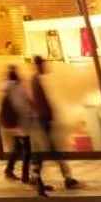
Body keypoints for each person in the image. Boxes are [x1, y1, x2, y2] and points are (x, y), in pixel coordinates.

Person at [27, 56, 81, 190]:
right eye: (44, 65)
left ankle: (36, 178)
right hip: (43, 120)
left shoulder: (35, 80)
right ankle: (67, 178)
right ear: (39, 66)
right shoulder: (36, 81)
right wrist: (49, 115)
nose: (46, 67)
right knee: (52, 150)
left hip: (42, 119)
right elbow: (40, 102)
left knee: (44, 151)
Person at [0, 64, 33, 182]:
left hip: (13, 123)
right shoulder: (15, 87)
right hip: (20, 122)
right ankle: (25, 176)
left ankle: (9, 170)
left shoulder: (6, 87)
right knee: (27, 150)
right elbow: (20, 104)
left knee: (17, 147)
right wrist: (29, 112)